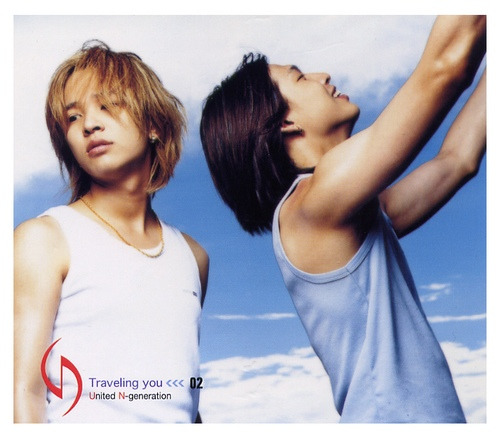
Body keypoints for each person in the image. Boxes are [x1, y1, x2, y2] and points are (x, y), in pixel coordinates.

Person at [200, 16, 486, 423]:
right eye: (300, 77)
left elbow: (457, 160)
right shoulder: (310, 209)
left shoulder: (351, 217)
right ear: (285, 122)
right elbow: (446, 67)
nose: (323, 76)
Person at [14, 41, 209, 423]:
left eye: (108, 105)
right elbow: (20, 390)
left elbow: (182, 393)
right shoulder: (44, 240)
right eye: (73, 117)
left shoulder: (194, 257)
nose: (89, 124)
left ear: (153, 125)